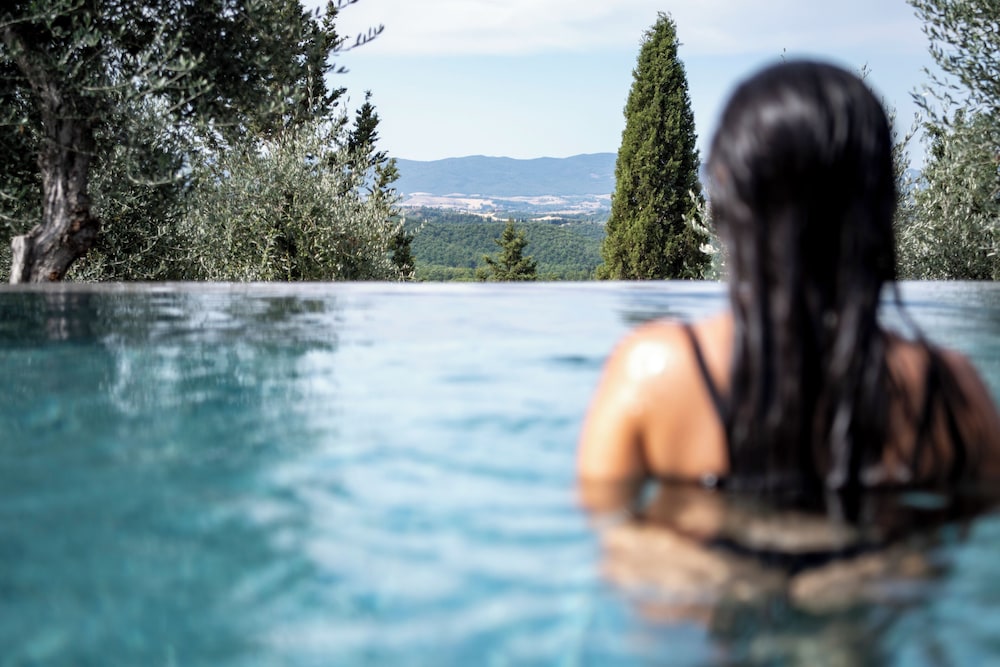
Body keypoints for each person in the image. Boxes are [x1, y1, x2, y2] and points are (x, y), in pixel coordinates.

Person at [578, 60, 1000, 521]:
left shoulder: (652, 372)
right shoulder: (953, 394)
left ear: (725, 202)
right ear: (880, 204)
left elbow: (611, 541)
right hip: (879, 573)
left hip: (706, 577)